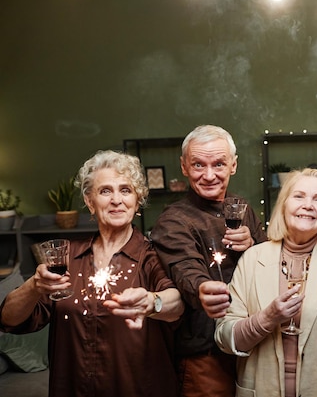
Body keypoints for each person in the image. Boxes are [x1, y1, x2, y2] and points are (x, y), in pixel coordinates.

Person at [0, 150, 185, 397]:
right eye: (105, 191)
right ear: (90, 201)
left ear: (137, 199)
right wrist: (34, 285)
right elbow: (9, 320)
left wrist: (153, 301)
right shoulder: (66, 257)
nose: (116, 199)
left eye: (126, 190)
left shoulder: (153, 255)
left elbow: (178, 303)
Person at [208, 168, 317, 397]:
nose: (308, 205)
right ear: (284, 205)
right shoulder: (252, 258)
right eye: (299, 196)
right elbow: (225, 338)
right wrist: (266, 319)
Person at [150, 124, 267, 397]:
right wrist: (203, 289)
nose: (209, 175)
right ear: (184, 167)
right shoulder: (174, 219)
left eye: (219, 164)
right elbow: (186, 271)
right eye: (198, 165)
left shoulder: (242, 207)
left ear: (233, 165)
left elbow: (272, 260)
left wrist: (253, 244)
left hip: (254, 339)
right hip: (206, 352)